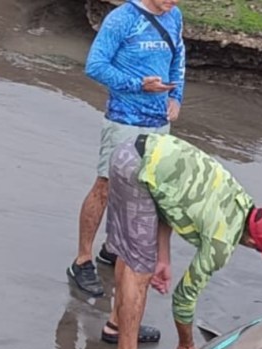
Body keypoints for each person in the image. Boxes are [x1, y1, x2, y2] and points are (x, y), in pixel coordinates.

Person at [104, 133, 262, 349]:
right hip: (136, 172)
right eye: (259, 248)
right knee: (139, 270)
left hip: (136, 151)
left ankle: (117, 325)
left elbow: (170, 198)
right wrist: (185, 345)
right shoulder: (221, 242)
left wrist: (164, 257)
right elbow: (183, 298)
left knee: (133, 253)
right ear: (251, 240)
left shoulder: (238, 198)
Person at [67, 0, 186, 328]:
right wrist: (138, 85)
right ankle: (82, 259)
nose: (172, 4)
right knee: (105, 185)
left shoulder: (173, 16)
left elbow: (179, 57)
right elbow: (95, 65)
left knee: (145, 192)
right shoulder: (122, 19)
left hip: (159, 121)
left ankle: (112, 250)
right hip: (123, 118)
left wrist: (177, 98)